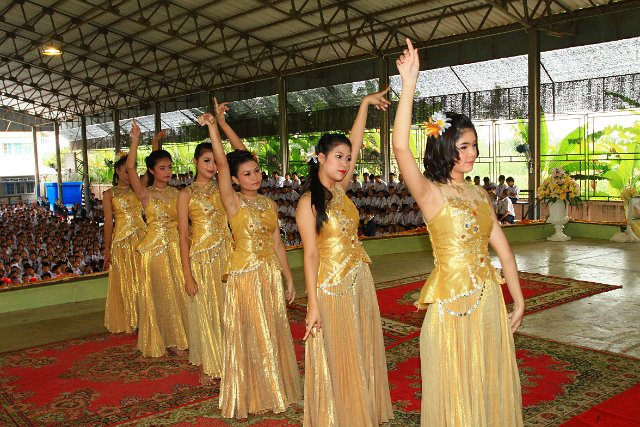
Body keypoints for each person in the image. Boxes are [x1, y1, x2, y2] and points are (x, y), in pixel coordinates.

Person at [392, 39, 524, 426]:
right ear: (445, 147)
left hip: (488, 300)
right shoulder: (430, 193)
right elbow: (401, 148)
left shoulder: (481, 194)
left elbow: (503, 249)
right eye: (464, 146)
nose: (472, 153)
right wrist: (409, 84)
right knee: (453, 382)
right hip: (450, 304)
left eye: (474, 146)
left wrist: (518, 299)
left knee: (485, 380)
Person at [296, 89, 394, 426]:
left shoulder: (340, 190)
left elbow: (354, 139)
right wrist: (312, 305)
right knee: (340, 352)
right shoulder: (308, 202)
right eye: (338, 157)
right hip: (332, 287)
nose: (345, 164)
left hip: (359, 279)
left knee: (361, 345)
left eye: (349, 159)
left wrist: (365, 104)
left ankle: (361, 410)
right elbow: (310, 254)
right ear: (320, 158)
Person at [202, 112, 302, 419]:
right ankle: (251, 394)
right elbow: (222, 163)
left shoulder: (269, 204)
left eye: (256, 171)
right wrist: (214, 127)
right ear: (234, 180)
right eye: (246, 174)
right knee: (249, 334)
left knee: (272, 330)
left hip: (269, 274)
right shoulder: (232, 202)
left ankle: (274, 389)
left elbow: (277, 244)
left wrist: (288, 278)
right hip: (244, 276)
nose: (255, 177)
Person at [177, 99, 245, 385]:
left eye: (214, 161)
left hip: (228, 254)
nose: (212, 165)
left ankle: (232, 362)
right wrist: (187, 274)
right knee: (207, 313)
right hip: (202, 260)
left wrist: (220, 124)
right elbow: (183, 236)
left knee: (230, 311)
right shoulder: (186, 194)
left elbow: (242, 155)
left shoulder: (225, 187)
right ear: (195, 162)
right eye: (206, 161)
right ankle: (210, 364)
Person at [126, 122, 189, 358]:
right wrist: (135, 140)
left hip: (177, 246)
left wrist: (155, 144)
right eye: (162, 168)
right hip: (155, 249)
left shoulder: (178, 193)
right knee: (162, 294)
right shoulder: (145, 194)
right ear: (152, 171)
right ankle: (168, 340)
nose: (167, 171)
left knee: (180, 291)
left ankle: (182, 336)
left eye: (169, 167)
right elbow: (130, 167)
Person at [103, 150, 149, 334]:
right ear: (117, 171)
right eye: (126, 171)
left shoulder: (139, 188)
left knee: (144, 278)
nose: (129, 175)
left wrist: (155, 144)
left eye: (132, 171)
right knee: (125, 281)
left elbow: (152, 169)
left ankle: (146, 317)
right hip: (121, 241)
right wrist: (107, 249)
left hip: (142, 238)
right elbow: (108, 222)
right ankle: (130, 319)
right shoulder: (109, 194)